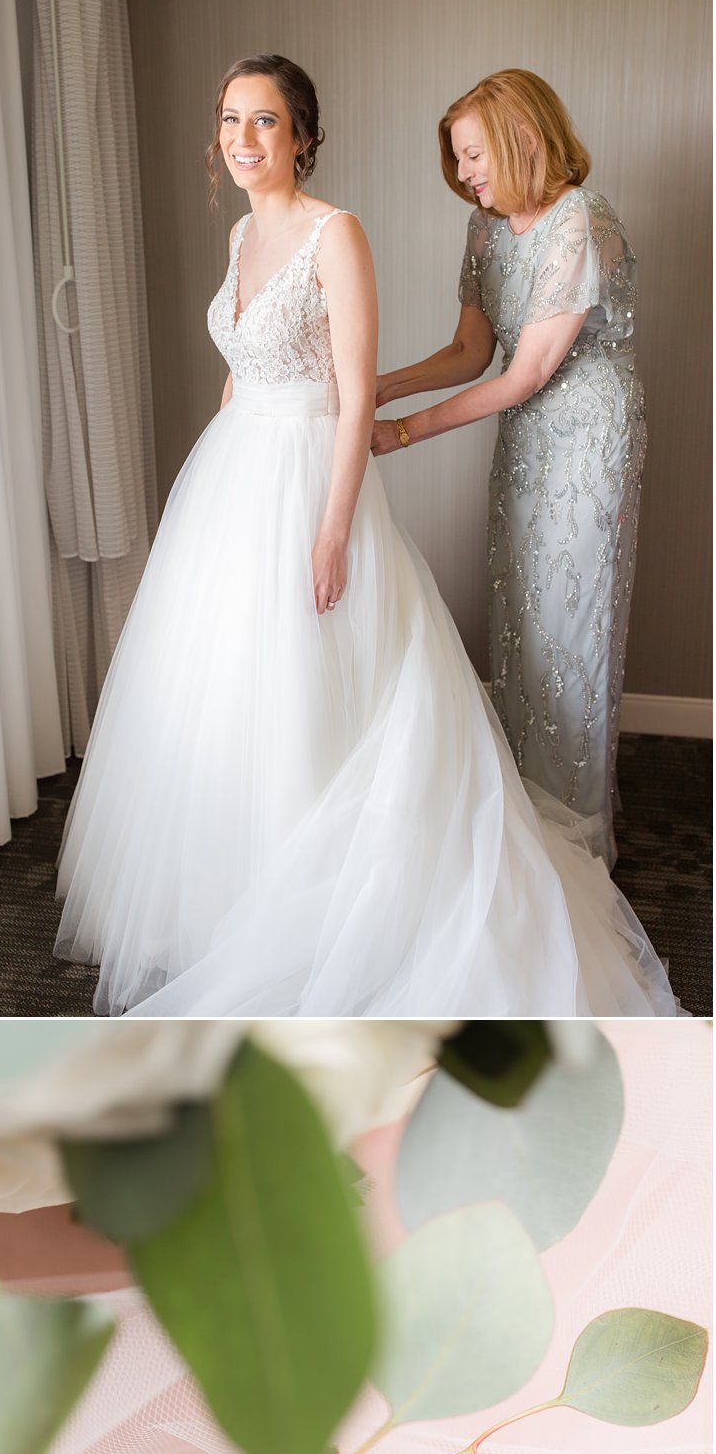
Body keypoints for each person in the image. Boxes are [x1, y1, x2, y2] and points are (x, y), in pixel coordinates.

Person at [53, 54, 675, 1017]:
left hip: (373, 461)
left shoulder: (346, 233)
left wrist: (343, 505)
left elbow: (487, 373)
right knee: (228, 678)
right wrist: (223, 458)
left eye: (263, 120)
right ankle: (230, 890)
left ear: (301, 133)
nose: (242, 138)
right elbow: (358, 354)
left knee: (371, 663)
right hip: (239, 469)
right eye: (229, 119)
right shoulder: (243, 236)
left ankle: (533, 833)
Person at [372, 69, 644, 863]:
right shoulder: (485, 230)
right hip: (523, 436)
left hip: (588, 439)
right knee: (521, 608)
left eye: (472, 155)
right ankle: (528, 808)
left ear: (523, 135)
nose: (464, 175)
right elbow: (470, 352)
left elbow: (527, 373)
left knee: (573, 621)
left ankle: (579, 834)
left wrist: (404, 432)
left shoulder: (581, 220)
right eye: (455, 161)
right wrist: (378, 385)